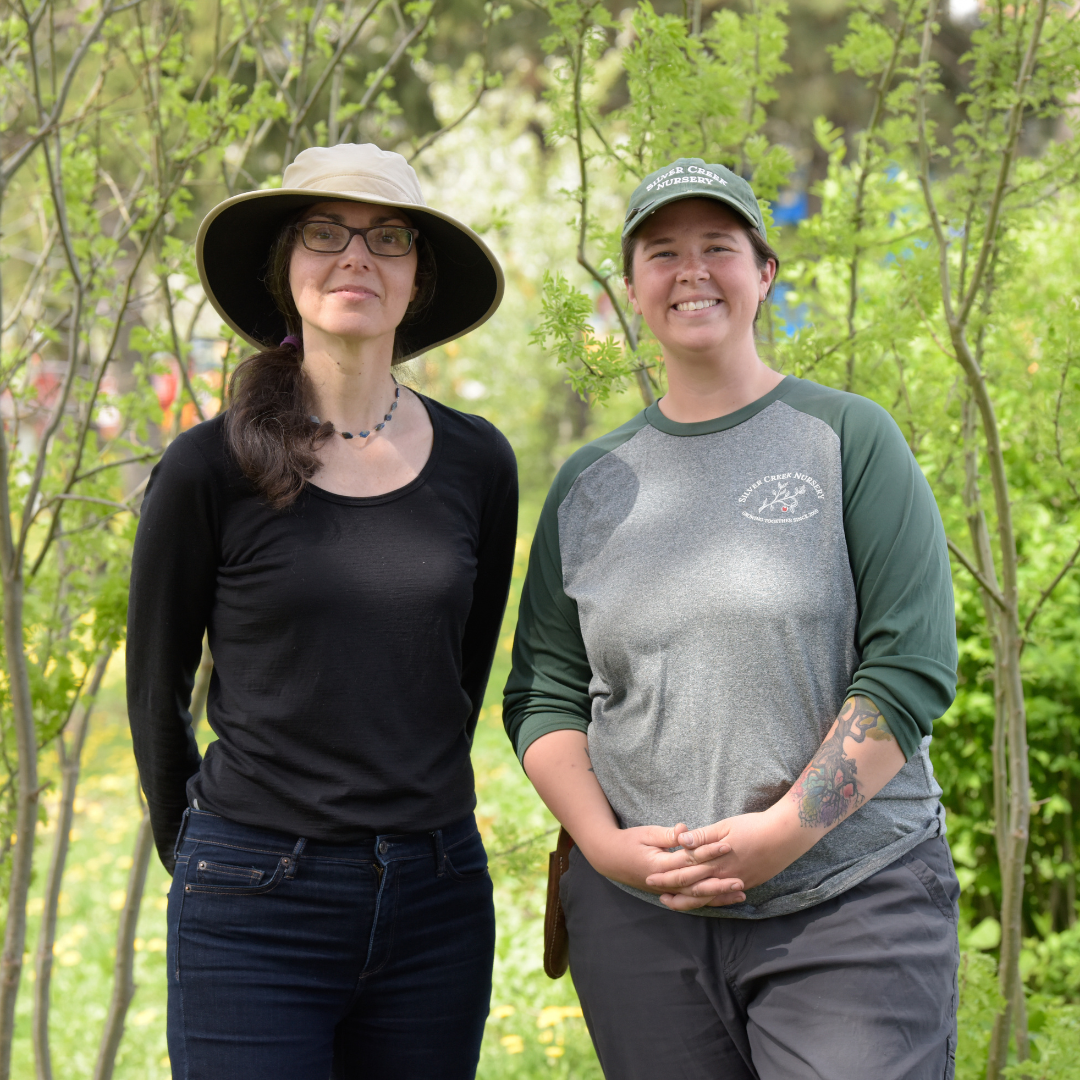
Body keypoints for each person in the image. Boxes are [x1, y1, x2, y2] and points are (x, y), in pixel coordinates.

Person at [504, 157, 959, 1080]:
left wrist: (783, 833)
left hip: (849, 900)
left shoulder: (847, 439)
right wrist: (602, 846)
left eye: (720, 246)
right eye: (663, 252)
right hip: (642, 924)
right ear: (632, 288)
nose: (692, 271)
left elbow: (909, 666)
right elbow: (544, 692)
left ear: (765, 274)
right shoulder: (590, 485)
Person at [127, 143, 517, 1080]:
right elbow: (156, 688)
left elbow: (458, 674)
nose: (357, 258)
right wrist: (207, 856)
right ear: (284, 270)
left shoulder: (479, 463)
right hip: (255, 900)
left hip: (437, 898)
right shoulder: (207, 468)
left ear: (418, 279)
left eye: (388, 238)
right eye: (323, 234)